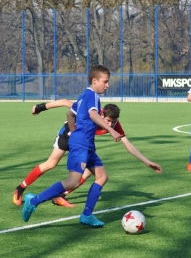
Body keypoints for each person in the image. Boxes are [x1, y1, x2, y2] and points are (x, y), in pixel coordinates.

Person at [22, 65, 162, 227]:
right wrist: (110, 130)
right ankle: (34, 200)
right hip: (81, 145)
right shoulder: (92, 95)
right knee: (73, 182)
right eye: (105, 81)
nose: (107, 85)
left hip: (86, 145)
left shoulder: (83, 96)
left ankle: (87, 215)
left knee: (102, 177)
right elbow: (93, 114)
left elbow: (69, 114)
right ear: (94, 81)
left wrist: (147, 162)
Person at [13, 100, 121, 208]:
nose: (110, 124)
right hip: (68, 135)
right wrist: (40, 107)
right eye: (108, 121)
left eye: (113, 122)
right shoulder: (91, 111)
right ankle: (20, 188)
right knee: (51, 163)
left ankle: (60, 196)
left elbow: (126, 141)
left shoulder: (113, 122)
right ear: (102, 114)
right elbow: (65, 102)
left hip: (84, 141)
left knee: (88, 171)